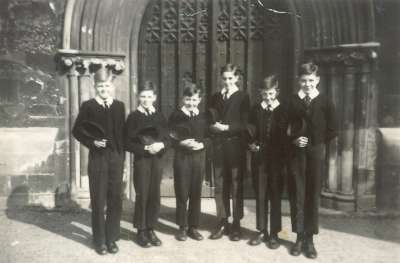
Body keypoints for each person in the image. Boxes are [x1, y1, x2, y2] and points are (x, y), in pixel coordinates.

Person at [287, 62, 338, 259]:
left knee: (312, 194)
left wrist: (316, 142)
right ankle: (299, 237)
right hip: (296, 155)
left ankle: (310, 239)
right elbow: (284, 127)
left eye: (310, 80)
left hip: (315, 153)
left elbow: (333, 130)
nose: (307, 84)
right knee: (298, 194)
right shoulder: (292, 101)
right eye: (303, 80)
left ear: (317, 80)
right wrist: (293, 139)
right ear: (298, 81)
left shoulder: (325, 101)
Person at [72, 67, 125, 255]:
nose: (104, 88)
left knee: (115, 199)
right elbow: (77, 130)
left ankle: (112, 238)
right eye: (100, 85)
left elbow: (121, 134)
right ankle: (100, 240)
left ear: (112, 86)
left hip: (116, 159)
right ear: (95, 86)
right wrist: (92, 142)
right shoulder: (88, 106)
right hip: (97, 159)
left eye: (107, 85)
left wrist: (122, 161)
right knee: (99, 199)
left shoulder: (119, 106)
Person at [124, 81, 170, 248]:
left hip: (157, 160)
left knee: (154, 195)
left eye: (149, 96)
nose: (146, 99)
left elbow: (168, 138)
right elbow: (127, 143)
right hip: (142, 161)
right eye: (142, 96)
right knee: (142, 194)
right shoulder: (133, 117)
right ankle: (141, 231)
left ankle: (151, 228)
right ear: (138, 97)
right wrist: (144, 148)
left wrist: (161, 145)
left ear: (155, 97)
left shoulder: (160, 116)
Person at [208, 63, 250, 241]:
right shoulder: (215, 97)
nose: (227, 81)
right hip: (218, 147)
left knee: (235, 185)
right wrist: (212, 127)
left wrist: (227, 128)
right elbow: (208, 118)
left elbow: (245, 124)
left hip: (234, 147)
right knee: (220, 185)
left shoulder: (243, 97)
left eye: (230, 78)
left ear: (237, 79)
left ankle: (236, 223)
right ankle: (222, 220)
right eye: (224, 78)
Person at [248, 75, 287, 249]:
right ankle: (262, 230)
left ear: (276, 92)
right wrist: (252, 144)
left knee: (275, 196)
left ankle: (274, 233)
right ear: (260, 93)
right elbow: (250, 131)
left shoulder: (283, 110)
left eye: (271, 93)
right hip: (260, 159)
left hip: (277, 160)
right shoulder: (256, 110)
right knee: (261, 194)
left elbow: (288, 134)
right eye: (264, 94)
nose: (268, 97)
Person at [169, 82, 208, 241]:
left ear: (199, 100)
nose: (191, 103)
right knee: (182, 192)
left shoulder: (203, 117)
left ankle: (193, 227)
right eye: (188, 99)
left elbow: (209, 137)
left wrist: (202, 144)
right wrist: (180, 143)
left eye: (194, 100)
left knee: (195, 192)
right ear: (183, 99)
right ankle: (182, 227)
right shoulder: (176, 115)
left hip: (198, 158)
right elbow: (169, 137)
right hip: (182, 158)